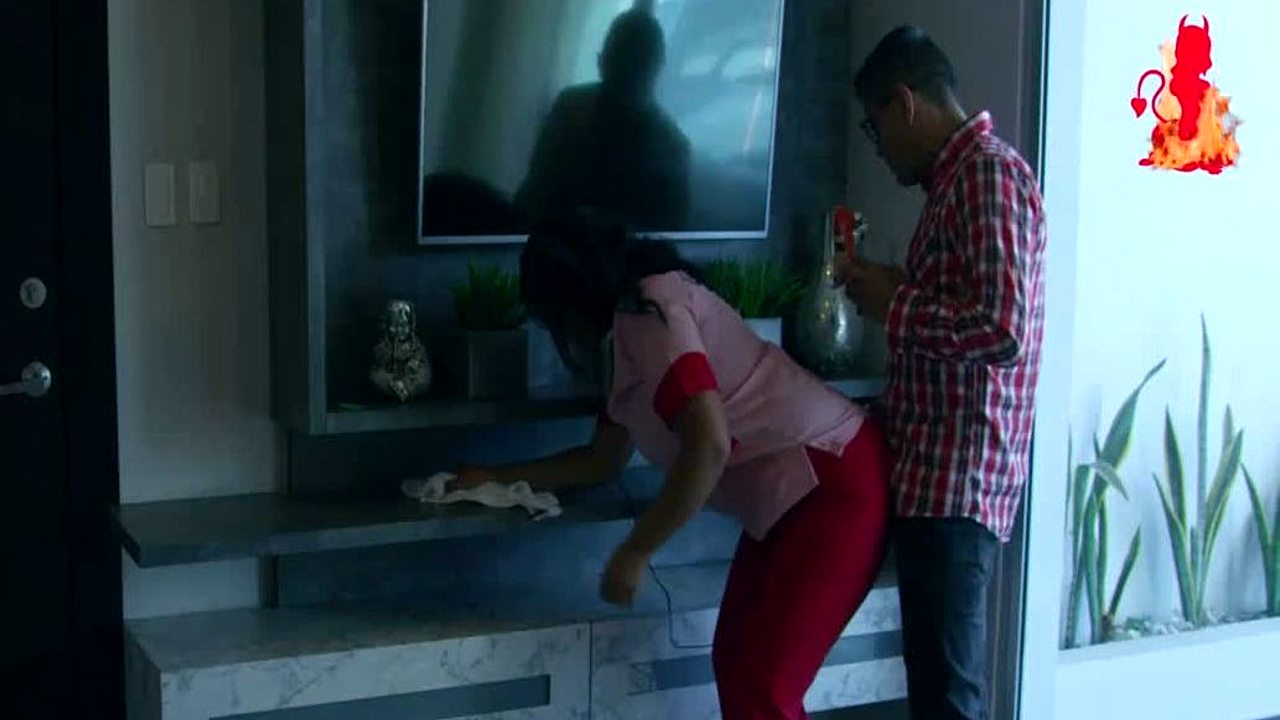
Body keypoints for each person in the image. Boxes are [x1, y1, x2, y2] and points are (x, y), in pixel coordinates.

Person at [454, 217, 890, 720]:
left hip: (832, 484)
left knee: (764, 686)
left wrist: (637, 550)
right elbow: (601, 459)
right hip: (791, 495)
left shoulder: (652, 312)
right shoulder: (629, 330)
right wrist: (495, 477)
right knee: (738, 664)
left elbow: (708, 445)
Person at [838, 26, 1048, 720]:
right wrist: (897, 288)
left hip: (957, 486)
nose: (878, 147)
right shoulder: (961, 181)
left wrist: (894, 304)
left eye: (874, 127)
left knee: (949, 701)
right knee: (938, 693)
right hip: (938, 481)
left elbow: (1002, 329)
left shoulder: (987, 175)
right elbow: (970, 307)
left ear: (904, 103)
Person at [513, 8, 691, 231]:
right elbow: (533, 190)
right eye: (619, 58)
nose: (624, 70)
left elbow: (666, 233)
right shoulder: (569, 107)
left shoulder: (570, 107)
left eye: (630, 61)